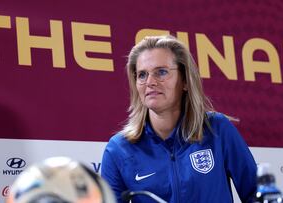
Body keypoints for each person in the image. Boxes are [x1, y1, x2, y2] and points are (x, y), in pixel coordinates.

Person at [101, 35, 257, 203]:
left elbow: (257, 195)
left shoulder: (217, 129)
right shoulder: (119, 149)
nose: (150, 82)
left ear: (185, 81)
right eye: (142, 75)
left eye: (161, 72)